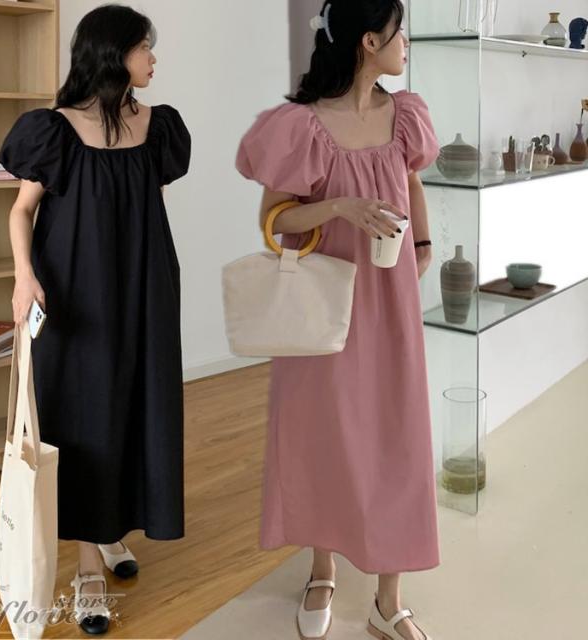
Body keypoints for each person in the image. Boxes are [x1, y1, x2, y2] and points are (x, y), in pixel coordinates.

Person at [235, 1, 439, 639]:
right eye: (399, 31)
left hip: (391, 298)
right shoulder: (302, 125)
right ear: (369, 40)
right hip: (325, 305)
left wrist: (424, 245)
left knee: (397, 435)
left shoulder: (405, 115)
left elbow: (412, 183)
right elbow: (275, 220)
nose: (406, 43)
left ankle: (388, 600)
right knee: (322, 434)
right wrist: (339, 207)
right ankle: (321, 570)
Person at [0, 4, 190, 635]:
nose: (153, 58)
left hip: (144, 290)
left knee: (138, 409)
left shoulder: (158, 127)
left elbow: (147, 207)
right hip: (77, 296)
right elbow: (21, 211)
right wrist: (24, 276)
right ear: (113, 54)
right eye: (144, 47)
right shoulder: (55, 131)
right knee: (87, 418)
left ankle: (109, 533)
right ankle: (87, 570)